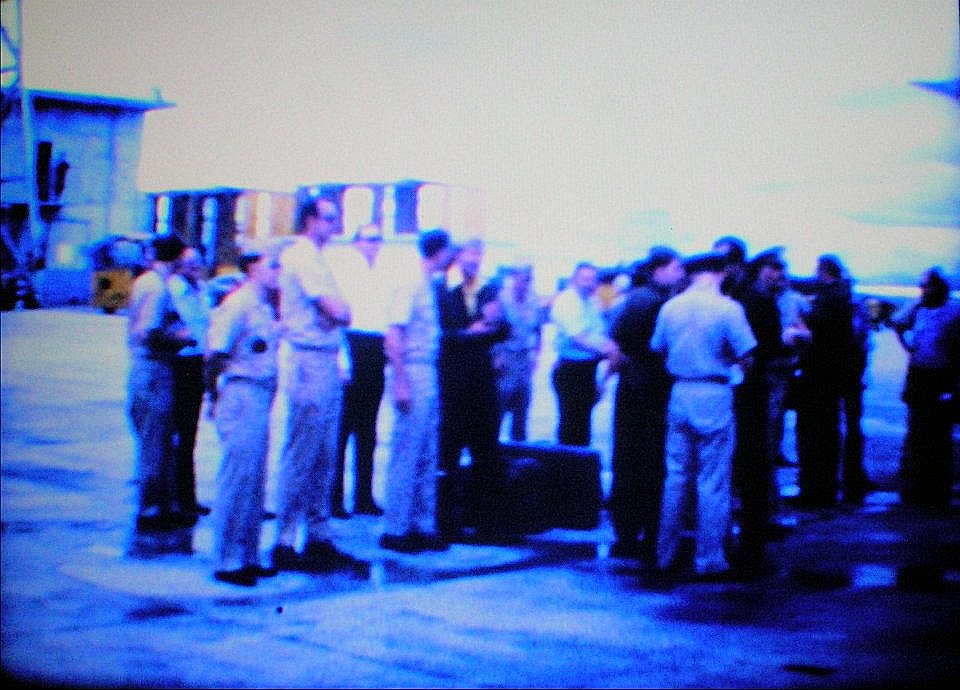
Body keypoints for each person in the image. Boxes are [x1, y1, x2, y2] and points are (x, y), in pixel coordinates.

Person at [269, 197, 367, 575]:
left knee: (325, 454)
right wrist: (339, 312)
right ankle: (285, 539)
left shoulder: (320, 258)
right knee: (302, 452)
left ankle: (319, 534)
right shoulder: (302, 255)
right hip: (307, 358)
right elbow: (338, 310)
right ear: (310, 221)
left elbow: (341, 314)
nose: (335, 225)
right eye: (329, 218)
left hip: (324, 359)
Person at [649, 251, 757, 582]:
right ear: (721, 274)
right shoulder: (729, 308)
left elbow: (658, 348)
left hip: (680, 391)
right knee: (713, 480)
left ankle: (664, 553)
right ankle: (709, 558)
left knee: (676, 476)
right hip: (714, 393)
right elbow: (747, 356)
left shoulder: (671, 307)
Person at [205, 241, 284, 586]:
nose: (278, 273)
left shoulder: (264, 307)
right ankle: (227, 559)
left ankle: (248, 555)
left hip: (261, 394)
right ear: (252, 267)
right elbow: (214, 353)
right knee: (237, 478)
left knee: (254, 479)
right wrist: (214, 397)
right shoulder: (237, 305)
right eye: (272, 266)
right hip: (241, 392)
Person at [378, 229, 457, 554]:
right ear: (438, 252)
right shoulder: (409, 283)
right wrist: (400, 381)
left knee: (426, 451)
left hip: (428, 367)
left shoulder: (430, 285)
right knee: (407, 452)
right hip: (411, 369)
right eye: (449, 251)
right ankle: (396, 527)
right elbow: (393, 335)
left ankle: (422, 524)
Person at [606, 246, 685, 564]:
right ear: (659, 270)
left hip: (635, 386)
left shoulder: (639, 298)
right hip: (647, 388)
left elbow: (619, 338)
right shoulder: (651, 302)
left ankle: (628, 529)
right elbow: (643, 344)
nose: (680, 274)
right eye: (676, 268)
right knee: (646, 459)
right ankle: (642, 529)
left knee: (629, 458)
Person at [436, 237, 512, 543]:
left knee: (487, 449)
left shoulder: (489, 288)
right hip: (453, 379)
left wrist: (495, 323)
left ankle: (486, 522)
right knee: (449, 449)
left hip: (482, 379)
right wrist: (472, 333)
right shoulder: (441, 288)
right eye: (470, 254)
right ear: (458, 256)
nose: (475, 260)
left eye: (479, 254)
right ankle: (446, 521)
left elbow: (505, 330)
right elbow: (441, 336)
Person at [126, 233, 197, 536]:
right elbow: (149, 332)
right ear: (179, 257)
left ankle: (158, 506)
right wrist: (183, 337)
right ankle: (151, 510)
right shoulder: (156, 287)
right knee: (156, 442)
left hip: (148, 368)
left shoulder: (146, 281)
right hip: (156, 369)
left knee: (156, 440)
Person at [329, 223, 392, 518]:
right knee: (343, 428)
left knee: (369, 428)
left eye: (377, 240)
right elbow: (339, 322)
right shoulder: (345, 272)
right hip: (352, 345)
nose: (373, 245)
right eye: (368, 240)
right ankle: (334, 497)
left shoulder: (383, 274)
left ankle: (364, 496)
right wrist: (343, 360)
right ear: (357, 243)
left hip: (375, 349)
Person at [792, 255, 860, 508]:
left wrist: (801, 324)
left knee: (816, 434)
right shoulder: (841, 294)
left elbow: (813, 327)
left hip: (820, 374)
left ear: (823, 270)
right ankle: (824, 488)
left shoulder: (831, 298)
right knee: (827, 432)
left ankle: (816, 491)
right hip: (834, 375)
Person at [890, 266, 960, 507]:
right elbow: (897, 322)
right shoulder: (918, 308)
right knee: (916, 429)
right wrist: (908, 347)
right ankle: (915, 483)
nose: (922, 290)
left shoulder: (954, 311)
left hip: (942, 377)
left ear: (938, 286)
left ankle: (938, 485)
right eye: (921, 286)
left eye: (926, 285)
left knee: (939, 433)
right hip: (919, 375)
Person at [550, 261, 619, 446]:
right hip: (571, 371)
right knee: (571, 426)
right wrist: (608, 351)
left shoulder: (592, 302)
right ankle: (567, 470)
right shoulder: (567, 301)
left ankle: (578, 470)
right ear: (574, 279)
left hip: (588, 370)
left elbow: (599, 333)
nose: (590, 283)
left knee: (583, 426)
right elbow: (578, 338)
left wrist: (610, 346)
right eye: (585, 279)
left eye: (592, 280)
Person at [167, 246, 212, 520]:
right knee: (177, 435)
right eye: (190, 263)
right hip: (178, 364)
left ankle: (187, 497)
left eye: (198, 262)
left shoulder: (201, 290)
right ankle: (174, 499)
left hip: (197, 364)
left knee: (189, 437)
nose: (196, 266)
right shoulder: (172, 291)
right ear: (178, 265)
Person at [492, 258, 546, 442]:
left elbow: (538, 329)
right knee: (498, 411)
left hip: (524, 362)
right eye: (522, 278)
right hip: (505, 361)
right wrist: (496, 356)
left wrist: (537, 354)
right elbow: (492, 329)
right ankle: (492, 454)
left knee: (521, 413)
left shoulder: (534, 299)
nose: (525, 282)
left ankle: (519, 456)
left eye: (529, 278)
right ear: (513, 277)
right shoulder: (501, 298)